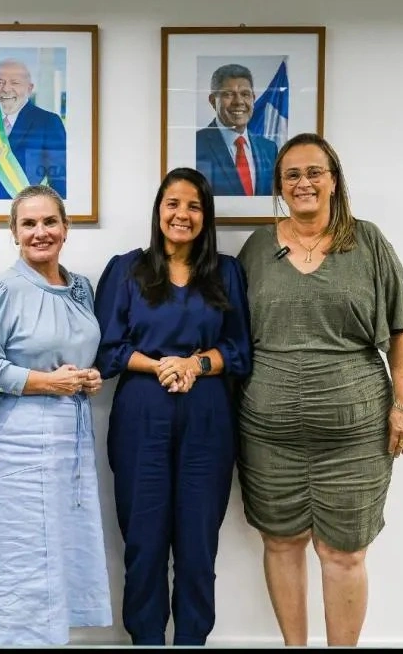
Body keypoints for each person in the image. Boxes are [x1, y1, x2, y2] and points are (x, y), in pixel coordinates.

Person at [235, 132, 403, 646]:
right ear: (280, 187)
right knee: (282, 541)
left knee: (345, 552)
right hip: (269, 436)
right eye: (292, 174)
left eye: (315, 172)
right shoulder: (256, 248)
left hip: (354, 438)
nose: (304, 182)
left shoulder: (368, 243)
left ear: (334, 180)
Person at [93, 167, 252, 646]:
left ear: (206, 216)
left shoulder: (226, 272)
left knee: (198, 545)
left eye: (194, 206)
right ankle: (146, 640)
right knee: (143, 542)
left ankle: (191, 641)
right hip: (142, 414)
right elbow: (106, 349)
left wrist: (195, 364)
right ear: (158, 210)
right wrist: (162, 366)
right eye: (173, 204)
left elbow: (240, 349)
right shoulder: (126, 269)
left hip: (208, 416)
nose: (182, 214)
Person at [0, 184, 112, 645]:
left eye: (49, 222)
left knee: (57, 555)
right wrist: (49, 382)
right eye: (29, 223)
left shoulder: (81, 288)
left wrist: (88, 377)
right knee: (19, 558)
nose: (40, 232)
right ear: (13, 232)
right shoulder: (4, 290)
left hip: (70, 440)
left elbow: (78, 352)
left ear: (65, 228)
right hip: (18, 445)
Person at [0, 58, 67, 200]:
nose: (6, 88)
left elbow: (60, 184)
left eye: (15, 82)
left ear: (30, 88)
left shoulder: (48, 122)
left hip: (28, 218)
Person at [195, 63, 278, 197]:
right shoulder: (195, 145)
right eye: (228, 94)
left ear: (253, 99)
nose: (239, 101)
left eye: (245, 94)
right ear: (212, 101)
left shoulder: (269, 149)